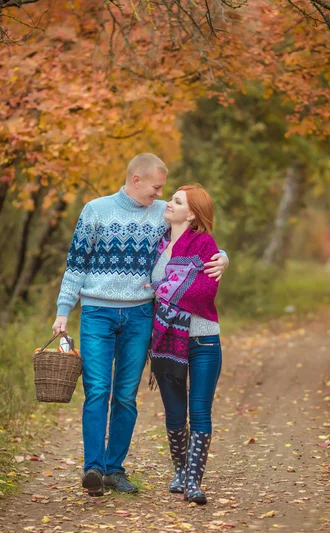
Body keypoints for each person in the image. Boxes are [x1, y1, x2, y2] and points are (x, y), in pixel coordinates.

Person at [52, 154, 228, 497]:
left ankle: (114, 471)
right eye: (157, 187)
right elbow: (75, 263)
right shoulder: (95, 210)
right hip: (97, 313)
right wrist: (63, 310)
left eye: (164, 190)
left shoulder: (161, 212)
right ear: (137, 180)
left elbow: (197, 237)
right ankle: (93, 468)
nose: (161, 194)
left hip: (140, 316)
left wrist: (222, 257)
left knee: (126, 396)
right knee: (98, 390)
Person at [149, 184, 222, 505]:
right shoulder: (157, 244)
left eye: (176, 201)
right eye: (171, 198)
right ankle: (180, 470)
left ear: (191, 213)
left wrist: (160, 290)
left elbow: (204, 291)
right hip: (165, 341)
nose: (169, 203)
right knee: (175, 413)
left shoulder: (204, 243)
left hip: (204, 339)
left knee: (200, 411)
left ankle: (193, 481)